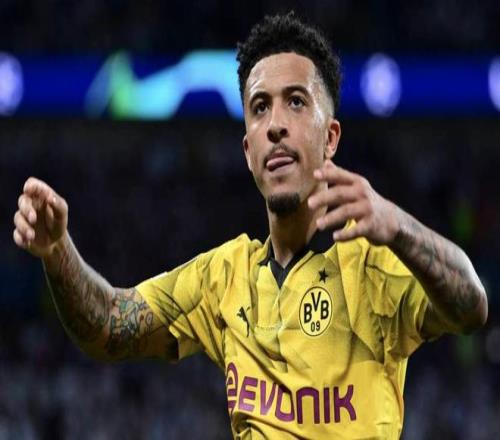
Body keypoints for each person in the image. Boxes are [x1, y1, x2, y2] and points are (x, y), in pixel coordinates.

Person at [13, 12, 487, 440]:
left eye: (295, 102)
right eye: (260, 107)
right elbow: (110, 327)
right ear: (248, 151)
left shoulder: (373, 266)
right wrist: (57, 251)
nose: (275, 124)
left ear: (330, 138)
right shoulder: (222, 278)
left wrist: (398, 225)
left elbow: (471, 306)